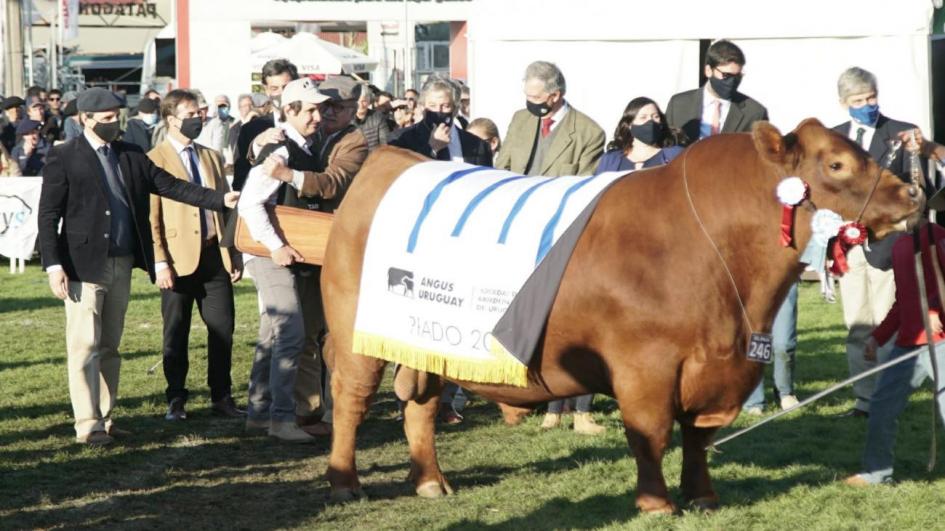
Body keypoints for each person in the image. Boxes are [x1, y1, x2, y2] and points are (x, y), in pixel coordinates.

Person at [37, 87, 239, 446]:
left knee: (110, 345)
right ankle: (88, 423)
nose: (116, 124)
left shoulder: (130, 153)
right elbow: (49, 213)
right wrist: (54, 265)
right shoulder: (64, 155)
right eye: (108, 120)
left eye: (118, 117)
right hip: (82, 265)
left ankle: (106, 417)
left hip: (122, 261)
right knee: (85, 345)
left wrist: (219, 199)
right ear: (85, 119)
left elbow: (170, 185)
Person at [264, 75, 370, 435]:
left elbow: (332, 182)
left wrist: (287, 174)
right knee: (306, 329)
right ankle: (306, 409)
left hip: (339, 247)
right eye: (323, 107)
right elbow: (273, 151)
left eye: (337, 108)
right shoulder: (315, 133)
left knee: (336, 333)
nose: (326, 114)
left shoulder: (354, 142)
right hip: (306, 241)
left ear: (355, 109)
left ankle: (337, 411)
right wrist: (262, 147)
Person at [238, 77, 330, 443]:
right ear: (289, 110)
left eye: (319, 108)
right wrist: (275, 246)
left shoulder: (299, 144)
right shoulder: (281, 149)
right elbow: (249, 202)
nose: (317, 116)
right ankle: (281, 419)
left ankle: (260, 413)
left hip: (279, 249)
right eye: (310, 109)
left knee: (272, 333)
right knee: (290, 331)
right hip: (268, 251)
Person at [844, 155, 945, 485]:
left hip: (941, 343)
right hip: (907, 344)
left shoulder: (940, 239)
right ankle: (877, 473)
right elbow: (903, 302)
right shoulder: (901, 246)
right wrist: (878, 336)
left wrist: (934, 311)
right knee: (882, 407)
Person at [831, 66, 926, 419]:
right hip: (849, 247)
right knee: (857, 325)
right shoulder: (834, 138)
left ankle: (889, 396)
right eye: (858, 100)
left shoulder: (901, 134)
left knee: (887, 325)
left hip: (890, 246)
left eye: (871, 97)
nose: (866, 104)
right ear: (844, 103)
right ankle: (864, 400)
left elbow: (917, 191)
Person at [148, 89, 245, 421]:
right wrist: (160, 260)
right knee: (176, 331)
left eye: (200, 112)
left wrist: (234, 253)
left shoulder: (211, 156)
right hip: (176, 260)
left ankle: (222, 396)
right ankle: (176, 398)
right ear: (172, 119)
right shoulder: (154, 159)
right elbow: (153, 217)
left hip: (213, 254)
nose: (199, 118)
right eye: (191, 114)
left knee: (223, 329)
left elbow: (225, 208)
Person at [495, 60, 604, 177]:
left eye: (536, 97)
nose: (530, 102)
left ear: (555, 95)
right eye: (527, 95)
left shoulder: (590, 133)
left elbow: (582, 185)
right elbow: (501, 168)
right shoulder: (520, 119)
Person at [666, 39, 768, 145]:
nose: (732, 81)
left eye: (737, 76)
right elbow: (666, 145)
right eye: (726, 75)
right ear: (708, 70)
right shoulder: (678, 104)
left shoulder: (754, 112)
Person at [388, 75, 492, 166]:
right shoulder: (402, 139)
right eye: (432, 105)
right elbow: (403, 177)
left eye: (445, 106)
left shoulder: (478, 146)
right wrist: (432, 148)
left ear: (455, 109)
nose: (438, 111)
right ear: (422, 107)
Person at [233, 58, 299, 191]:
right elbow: (240, 179)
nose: (281, 93)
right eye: (275, 88)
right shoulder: (250, 129)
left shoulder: (312, 122)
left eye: (286, 87)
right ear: (266, 90)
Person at [594, 97, 683, 174]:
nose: (650, 122)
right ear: (629, 124)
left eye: (655, 116)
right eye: (643, 117)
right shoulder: (610, 160)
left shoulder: (675, 155)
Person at [352, 85, 391, 152]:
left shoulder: (377, 117)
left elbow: (385, 143)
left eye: (364, 101)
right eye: (358, 101)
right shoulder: (346, 118)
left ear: (369, 101)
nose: (361, 105)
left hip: (374, 159)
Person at [199, 95, 236, 165]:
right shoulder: (210, 122)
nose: (221, 108)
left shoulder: (234, 122)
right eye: (219, 106)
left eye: (224, 106)